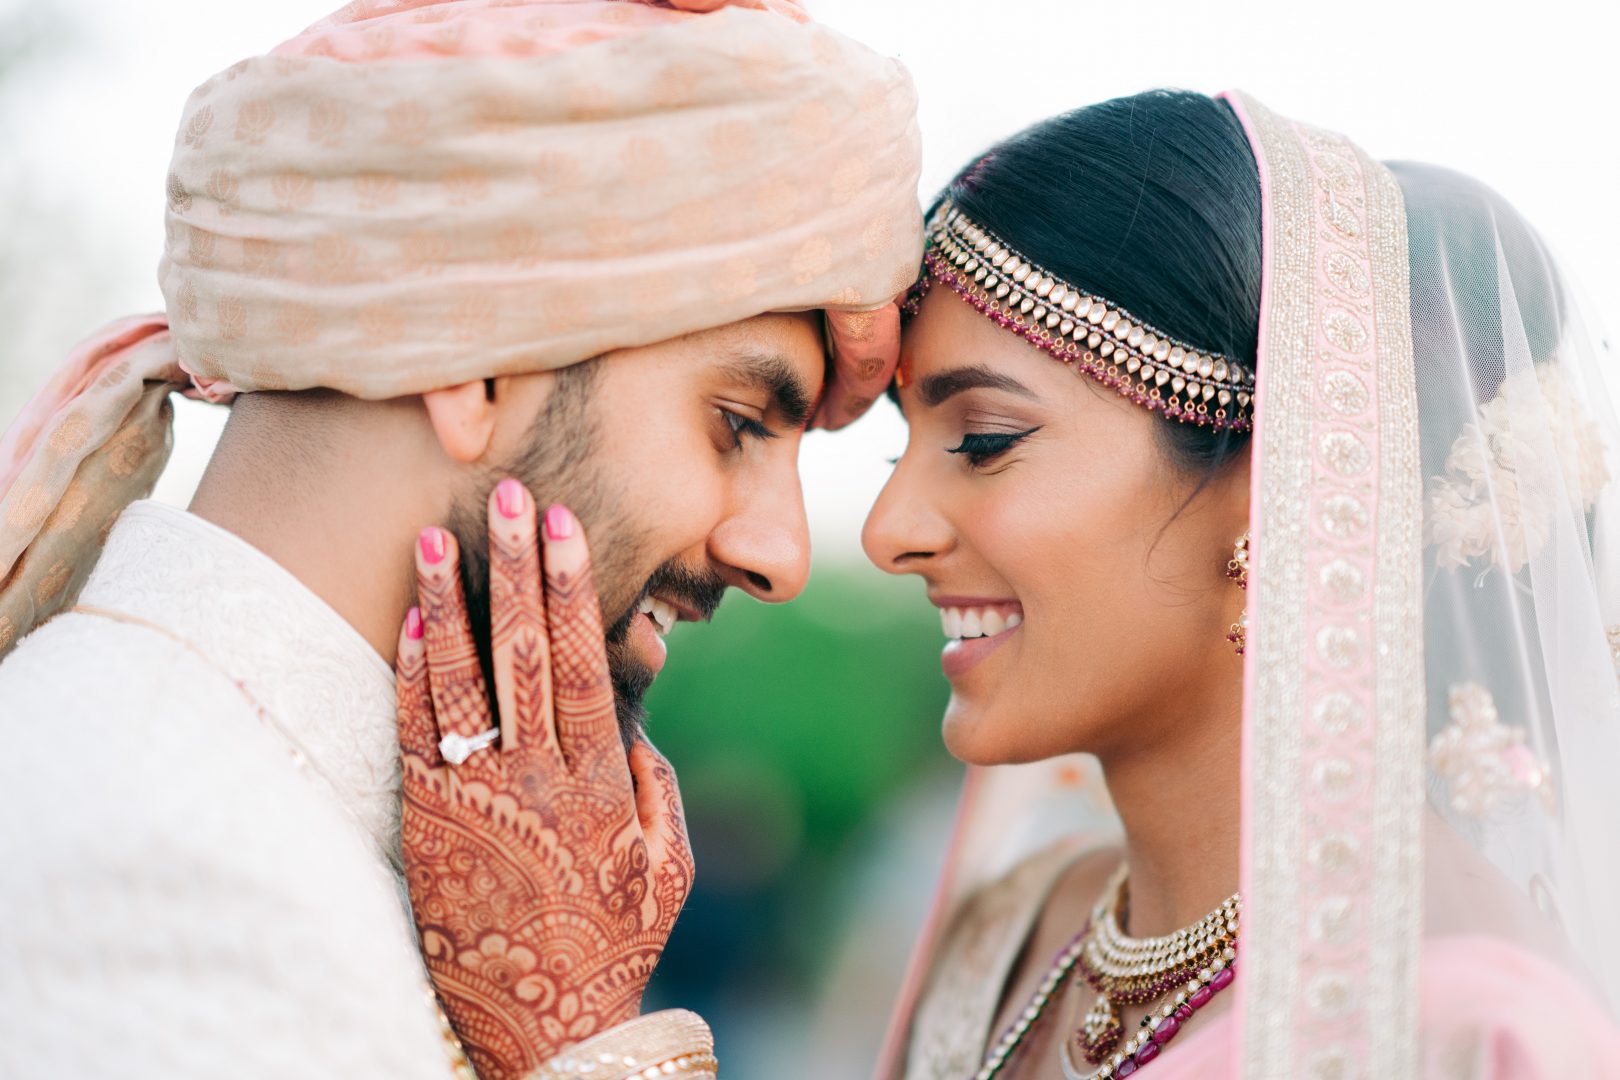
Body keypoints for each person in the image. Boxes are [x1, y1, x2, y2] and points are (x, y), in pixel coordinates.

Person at [402, 90, 1620, 1077]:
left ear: (1284, 482)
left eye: (983, 441)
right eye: (896, 450)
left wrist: (570, 1040)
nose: (886, 531)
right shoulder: (1013, 937)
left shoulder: (1472, 1032)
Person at [0, 2, 923, 1077]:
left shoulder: (244, 802)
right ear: (470, 369)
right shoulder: (142, 872)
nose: (784, 555)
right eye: (738, 425)